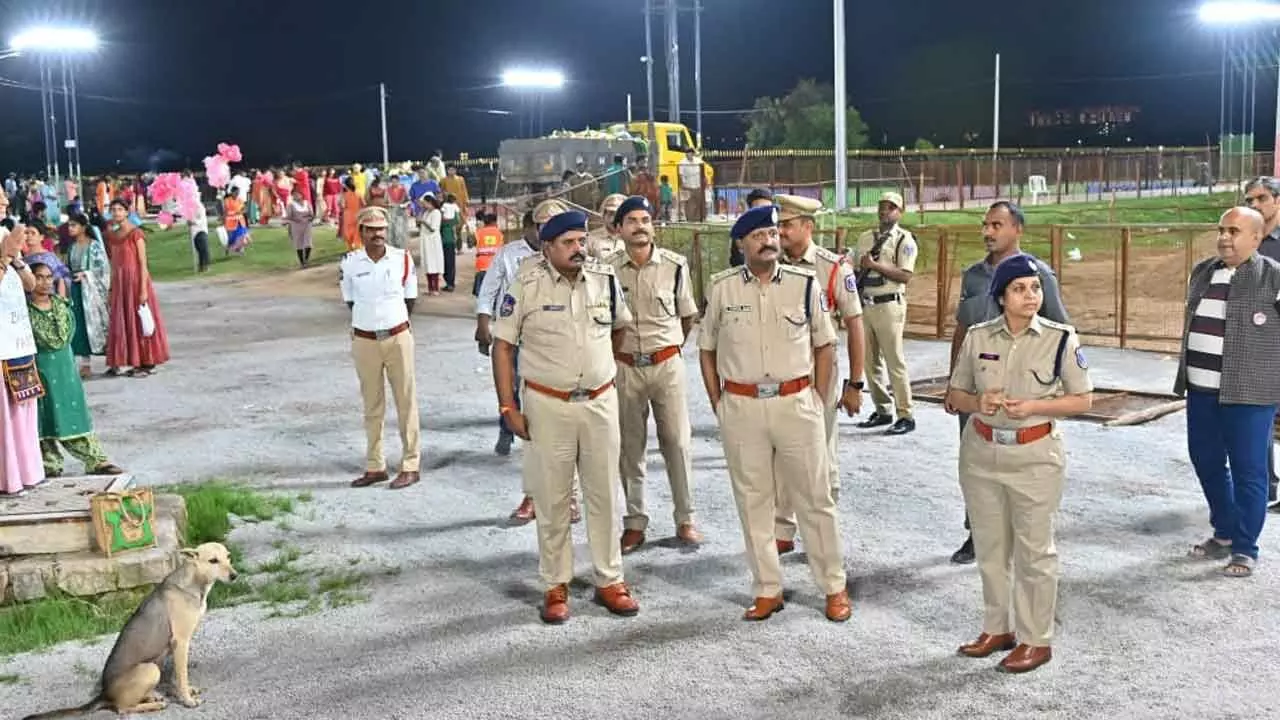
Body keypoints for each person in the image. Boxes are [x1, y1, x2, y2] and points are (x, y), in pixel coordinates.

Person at [697, 204, 851, 622]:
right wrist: (719, 401)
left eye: (772, 232)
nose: (769, 240)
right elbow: (707, 349)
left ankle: (833, 587)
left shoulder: (805, 284)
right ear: (741, 243)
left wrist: (818, 398)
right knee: (753, 502)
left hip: (796, 402)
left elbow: (825, 344)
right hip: (742, 406)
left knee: (815, 499)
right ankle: (767, 589)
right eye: (758, 235)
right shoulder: (722, 287)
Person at [490, 209, 639, 624]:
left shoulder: (605, 280)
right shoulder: (526, 283)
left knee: (604, 495)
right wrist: (508, 407)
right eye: (569, 243)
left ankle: (610, 579)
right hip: (547, 404)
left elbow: (618, 330)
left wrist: (597, 368)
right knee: (552, 497)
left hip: (598, 402)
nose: (579, 249)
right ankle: (556, 584)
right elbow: (502, 347)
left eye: (581, 240)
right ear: (547, 247)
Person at [946, 252, 1092, 674]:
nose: (1031, 295)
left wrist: (1033, 405)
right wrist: (979, 401)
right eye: (1019, 289)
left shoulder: (1061, 337)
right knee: (991, 548)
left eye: (1035, 288)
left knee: (1034, 552)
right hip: (982, 451)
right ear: (1001, 296)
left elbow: (1083, 399)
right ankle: (997, 628)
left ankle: (1036, 639)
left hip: (1035, 457)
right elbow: (955, 396)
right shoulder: (977, 337)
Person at [946, 201, 1070, 565]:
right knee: (975, 461)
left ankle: (1024, 533)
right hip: (979, 392)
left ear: (1018, 229)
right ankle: (978, 533)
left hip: (1022, 393)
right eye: (985, 225)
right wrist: (956, 384)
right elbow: (963, 329)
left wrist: (1050, 385)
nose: (988, 232)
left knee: (1021, 461)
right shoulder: (973, 276)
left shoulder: (1038, 276)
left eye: (997, 225)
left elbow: (1060, 332)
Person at [1175, 206, 1280, 578]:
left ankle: (1245, 546)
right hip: (1201, 390)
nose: (1224, 237)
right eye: (1221, 229)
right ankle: (1224, 530)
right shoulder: (1203, 272)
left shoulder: (1273, 277)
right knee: (1205, 459)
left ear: (1256, 237)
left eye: (1234, 231)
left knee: (1249, 471)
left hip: (1249, 395)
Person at [606, 196, 703, 553]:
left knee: (677, 442)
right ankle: (635, 522)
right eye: (631, 220)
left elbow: (687, 316)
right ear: (619, 229)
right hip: (625, 366)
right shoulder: (607, 270)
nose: (640, 226)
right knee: (630, 448)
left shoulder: (675, 266)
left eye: (645, 219)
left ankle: (686, 518)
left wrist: (670, 347)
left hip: (666, 366)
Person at [476, 200, 582, 523]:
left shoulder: (577, 263)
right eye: (543, 225)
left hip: (565, 354)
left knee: (570, 427)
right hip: (525, 350)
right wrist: (484, 323)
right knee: (532, 426)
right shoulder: (516, 261)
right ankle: (532, 495)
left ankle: (571, 497)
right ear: (532, 228)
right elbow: (490, 291)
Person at [771, 194, 866, 555]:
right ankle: (783, 528)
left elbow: (854, 324)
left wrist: (855, 384)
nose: (780, 232)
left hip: (820, 372)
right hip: (781, 372)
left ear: (808, 227)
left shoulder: (832, 268)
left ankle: (823, 528)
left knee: (820, 451)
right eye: (779, 225)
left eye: (787, 225)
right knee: (780, 452)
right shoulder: (771, 263)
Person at [340, 206, 422, 491]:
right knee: (372, 406)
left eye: (381, 229)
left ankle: (411, 464)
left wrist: (392, 324)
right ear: (361, 232)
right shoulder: (350, 263)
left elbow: (411, 299)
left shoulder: (402, 260)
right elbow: (350, 301)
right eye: (371, 229)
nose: (377, 234)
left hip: (398, 337)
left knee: (406, 401)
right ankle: (376, 466)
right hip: (364, 341)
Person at [27, 262, 124, 478]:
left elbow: (60, 339)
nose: (45, 283)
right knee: (43, 416)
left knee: (72, 414)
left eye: (48, 277)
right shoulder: (24, 311)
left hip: (64, 369)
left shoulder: (62, 305)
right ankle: (49, 464)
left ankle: (96, 460)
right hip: (39, 369)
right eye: (39, 277)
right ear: (29, 280)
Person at [854, 191, 918, 436]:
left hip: (890, 303)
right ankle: (882, 409)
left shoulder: (904, 240)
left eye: (891, 207)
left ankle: (906, 413)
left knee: (895, 361)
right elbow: (855, 264)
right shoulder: (865, 238)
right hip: (867, 303)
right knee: (869, 362)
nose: (885, 211)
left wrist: (875, 265)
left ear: (900, 212)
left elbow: (905, 275)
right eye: (882, 206)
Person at [1239, 176, 1280, 512]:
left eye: (1261, 199)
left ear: (1277, 201)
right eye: (1249, 200)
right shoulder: (1247, 243)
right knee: (1258, 419)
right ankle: (1264, 486)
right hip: (1255, 347)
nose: (1254, 205)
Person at [104, 198, 170, 378]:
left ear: (127, 212)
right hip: (120, 282)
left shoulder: (136, 234)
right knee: (122, 320)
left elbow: (142, 263)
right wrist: (111, 289)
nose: (116, 213)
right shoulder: (112, 236)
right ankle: (125, 359)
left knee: (139, 320)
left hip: (135, 281)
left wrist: (142, 289)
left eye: (120, 209)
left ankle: (146, 361)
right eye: (113, 210)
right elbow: (113, 264)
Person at [0, 226, 43, 495]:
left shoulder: (5, 232)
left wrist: (15, 257)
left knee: (23, 408)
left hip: (18, 339)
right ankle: (8, 478)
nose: (4, 203)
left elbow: (31, 285)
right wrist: (4, 257)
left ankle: (28, 472)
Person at [65, 213, 111, 379]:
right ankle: (85, 364)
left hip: (90, 290)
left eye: (73, 225)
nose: (70, 229)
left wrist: (86, 275)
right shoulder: (72, 247)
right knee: (79, 326)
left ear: (83, 227)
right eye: (69, 226)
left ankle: (113, 360)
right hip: (76, 290)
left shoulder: (94, 246)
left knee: (94, 324)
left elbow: (102, 269)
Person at [730, 189, 775, 267]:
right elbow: (738, 262)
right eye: (759, 209)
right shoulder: (741, 232)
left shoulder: (779, 229)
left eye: (768, 209)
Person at [419, 194, 445, 295]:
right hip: (426, 241)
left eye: (425, 203)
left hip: (433, 241)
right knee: (427, 264)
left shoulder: (436, 213)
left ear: (430, 203)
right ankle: (430, 288)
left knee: (433, 263)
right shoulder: (426, 213)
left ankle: (435, 288)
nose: (423, 205)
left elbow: (433, 228)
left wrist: (423, 221)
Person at [473, 212, 503, 297]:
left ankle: (482, 304)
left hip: (481, 263)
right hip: (495, 263)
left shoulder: (479, 232)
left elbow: (472, 242)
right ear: (494, 222)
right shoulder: (499, 233)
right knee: (494, 287)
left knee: (482, 286)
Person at [589, 194, 626, 260]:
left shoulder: (631, 238)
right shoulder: (591, 238)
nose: (614, 219)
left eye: (618, 214)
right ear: (604, 215)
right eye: (611, 214)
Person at [285, 188, 314, 268]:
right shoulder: (291, 205)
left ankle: (306, 259)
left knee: (308, 242)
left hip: (307, 225)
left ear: (301, 195)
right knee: (299, 244)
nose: (296, 196)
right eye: (294, 195)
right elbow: (289, 216)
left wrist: (309, 218)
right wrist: (296, 219)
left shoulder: (306, 203)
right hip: (296, 226)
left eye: (298, 194)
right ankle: (302, 262)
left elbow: (312, 214)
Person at [440, 193, 461, 291]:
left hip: (447, 239)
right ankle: (449, 282)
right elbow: (456, 221)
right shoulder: (453, 209)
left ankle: (450, 283)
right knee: (448, 262)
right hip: (447, 239)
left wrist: (446, 222)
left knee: (448, 262)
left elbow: (454, 221)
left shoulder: (444, 209)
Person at [187, 194, 211, 273]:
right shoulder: (189, 207)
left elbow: (202, 220)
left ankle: (206, 265)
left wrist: (193, 222)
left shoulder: (200, 207)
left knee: (204, 248)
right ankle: (201, 266)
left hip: (201, 230)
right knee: (199, 249)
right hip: (194, 231)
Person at [339, 177, 364, 252]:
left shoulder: (345, 195)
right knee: (357, 232)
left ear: (346, 185)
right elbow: (363, 204)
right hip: (357, 214)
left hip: (348, 216)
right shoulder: (358, 193)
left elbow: (342, 205)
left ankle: (350, 249)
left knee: (348, 233)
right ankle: (357, 247)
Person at [223, 186, 250, 254]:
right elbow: (226, 211)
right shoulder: (227, 200)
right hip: (231, 222)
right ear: (232, 192)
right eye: (236, 192)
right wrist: (224, 220)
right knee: (232, 238)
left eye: (238, 192)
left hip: (240, 221)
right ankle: (228, 247)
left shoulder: (240, 200)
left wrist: (242, 212)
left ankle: (240, 249)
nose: (237, 194)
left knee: (242, 235)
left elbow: (244, 209)